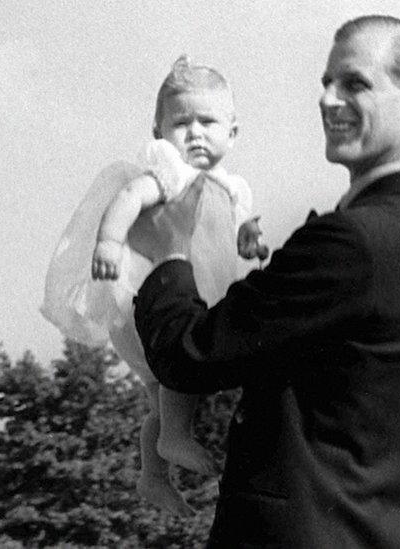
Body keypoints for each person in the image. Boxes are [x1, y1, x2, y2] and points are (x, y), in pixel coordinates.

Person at [132, 15, 400, 548]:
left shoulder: (356, 243)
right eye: (326, 82)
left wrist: (170, 250)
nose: (328, 99)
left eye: (354, 83)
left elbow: (187, 355)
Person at [42, 55, 266, 516]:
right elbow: (129, 198)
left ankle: (153, 475)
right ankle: (175, 440)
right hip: (154, 306)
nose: (195, 133)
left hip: (190, 302)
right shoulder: (169, 171)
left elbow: (241, 229)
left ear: (233, 131)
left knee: (161, 400)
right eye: (181, 123)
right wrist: (108, 241)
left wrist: (250, 241)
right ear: (158, 131)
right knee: (178, 381)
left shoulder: (233, 186)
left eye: (208, 121)